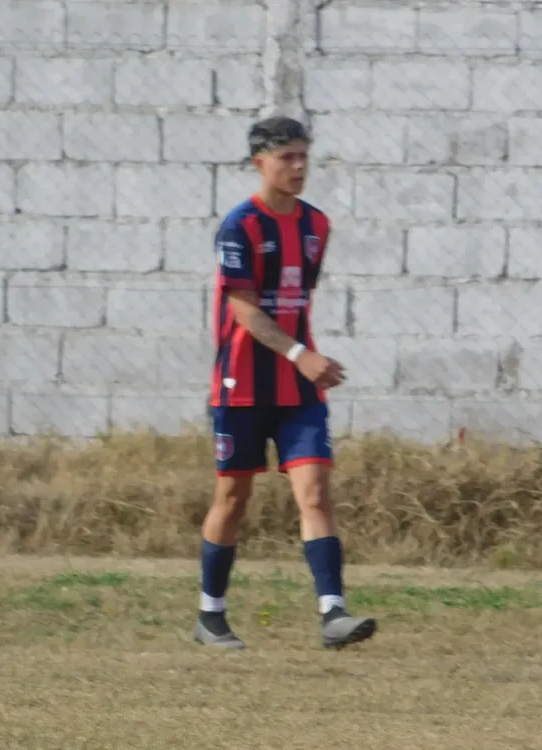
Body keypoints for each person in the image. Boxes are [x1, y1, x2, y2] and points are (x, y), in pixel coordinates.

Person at [195, 116, 377, 650]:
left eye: (304, 157)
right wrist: (301, 354)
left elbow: (299, 299)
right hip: (243, 385)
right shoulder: (239, 227)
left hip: (298, 389)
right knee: (233, 497)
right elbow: (245, 309)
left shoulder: (316, 225)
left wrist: (302, 361)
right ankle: (210, 615)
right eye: (287, 158)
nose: (298, 168)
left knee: (316, 491)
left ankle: (333, 614)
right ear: (260, 163)